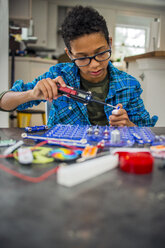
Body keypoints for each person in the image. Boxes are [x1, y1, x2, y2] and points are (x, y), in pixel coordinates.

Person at [0, 6, 158, 127]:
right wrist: (31, 94)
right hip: (64, 155)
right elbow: (3, 102)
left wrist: (129, 126)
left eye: (101, 53)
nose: (95, 64)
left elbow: (146, 132)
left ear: (109, 43)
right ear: (69, 54)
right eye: (82, 57)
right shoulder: (58, 75)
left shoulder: (129, 85)